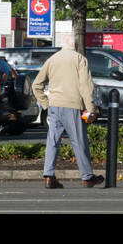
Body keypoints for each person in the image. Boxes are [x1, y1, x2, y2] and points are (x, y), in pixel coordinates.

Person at [31, 34, 104, 189]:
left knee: (53, 141)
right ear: (75, 45)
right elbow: (86, 86)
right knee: (79, 141)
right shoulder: (79, 59)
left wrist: (46, 104)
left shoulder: (52, 60)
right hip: (73, 106)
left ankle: (49, 176)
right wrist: (91, 109)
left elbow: (36, 85)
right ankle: (87, 177)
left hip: (54, 106)